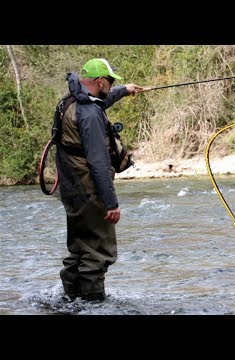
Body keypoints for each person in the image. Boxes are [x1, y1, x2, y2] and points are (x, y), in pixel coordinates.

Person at [55, 58, 143, 301]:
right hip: (89, 190)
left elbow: (100, 99)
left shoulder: (69, 101)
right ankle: (93, 303)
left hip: (70, 188)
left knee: (79, 249)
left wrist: (124, 90)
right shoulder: (90, 113)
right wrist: (111, 202)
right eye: (110, 81)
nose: (110, 85)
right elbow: (98, 161)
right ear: (99, 81)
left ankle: (71, 300)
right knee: (98, 252)